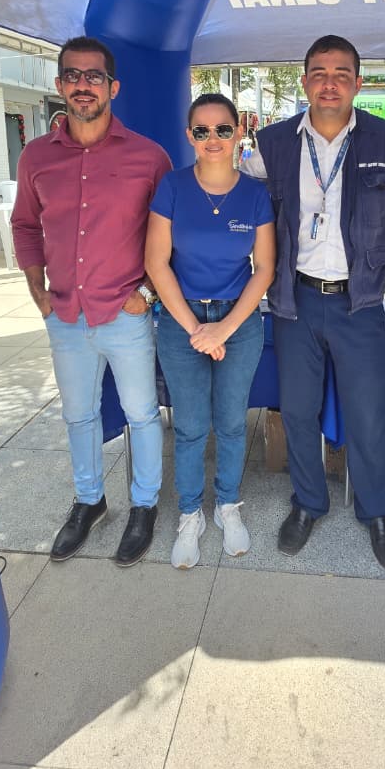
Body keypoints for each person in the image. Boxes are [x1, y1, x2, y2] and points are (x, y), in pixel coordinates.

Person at [244, 35, 385, 568]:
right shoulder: (273, 143)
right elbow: (235, 193)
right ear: (305, 81)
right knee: (297, 410)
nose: (330, 83)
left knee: (367, 413)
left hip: (360, 302)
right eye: (319, 72)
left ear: (358, 83)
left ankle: (376, 510)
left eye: (342, 74)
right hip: (294, 299)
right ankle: (308, 503)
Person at [12, 36, 171, 567]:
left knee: (142, 415)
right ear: (60, 85)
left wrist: (147, 293)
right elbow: (24, 225)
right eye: (74, 76)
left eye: (94, 76)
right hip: (63, 314)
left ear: (113, 87)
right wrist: (36, 288)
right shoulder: (36, 156)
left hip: (125, 312)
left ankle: (144, 505)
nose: (84, 85)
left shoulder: (149, 157)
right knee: (78, 416)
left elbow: (170, 233)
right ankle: (89, 501)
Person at [145, 94, 275, 569]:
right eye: (202, 131)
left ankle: (227, 505)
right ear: (190, 136)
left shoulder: (255, 194)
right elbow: (156, 263)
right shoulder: (172, 187)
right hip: (182, 320)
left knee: (232, 421)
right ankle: (189, 513)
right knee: (191, 425)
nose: (213, 139)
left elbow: (264, 269)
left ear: (239, 131)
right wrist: (197, 329)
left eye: (223, 129)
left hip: (237, 321)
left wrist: (224, 328)